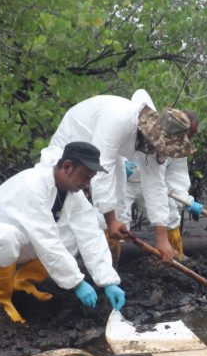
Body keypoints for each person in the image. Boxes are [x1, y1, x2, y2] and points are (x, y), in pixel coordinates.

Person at [0, 142, 124, 324]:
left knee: (71, 237)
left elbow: (90, 234)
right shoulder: (33, 184)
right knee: (5, 238)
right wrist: (77, 283)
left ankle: (20, 282)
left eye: (90, 179)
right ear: (67, 166)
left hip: (19, 242)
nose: (86, 184)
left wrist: (108, 281)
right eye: (85, 176)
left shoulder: (73, 194)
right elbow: (46, 239)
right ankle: (0, 298)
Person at [39, 90, 196, 264]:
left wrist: (162, 237)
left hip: (109, 151)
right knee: (63, 204)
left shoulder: (153, 139)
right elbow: (101, 170)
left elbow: (155, 186)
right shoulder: (119, 119)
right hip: (77, 136)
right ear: (152, 134)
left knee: (119, 208)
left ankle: (108, 264)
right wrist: (111, 220)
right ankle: (56, 264)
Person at [121, 152, 203, 260]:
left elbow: (176, 174)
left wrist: (185, 200)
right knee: (116, 222)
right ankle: (110, 265)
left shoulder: (179, 145)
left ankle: (175, 257)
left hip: (153, 179)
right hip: (122, 181)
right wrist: (119, 164)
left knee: (170, 216)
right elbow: (105, 146)